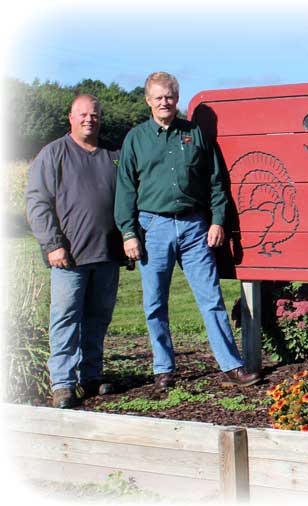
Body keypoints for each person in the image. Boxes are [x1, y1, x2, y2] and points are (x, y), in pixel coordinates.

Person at [115, 72, 260, 389]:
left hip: (195, 227)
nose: (164, 101)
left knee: (211, 299)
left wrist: (218, 220)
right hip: (152, 227)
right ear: (148, 101)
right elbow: (125, 189)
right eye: (158, 97)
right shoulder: (136, 139)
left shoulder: (194, 134)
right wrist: (128, 233)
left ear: (177, 98)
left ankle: (231, 365)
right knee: (155, 303)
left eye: (169, 95)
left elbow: (216, 181)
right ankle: (163, 368)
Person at [26, 94, 123, 408]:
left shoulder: (112, 154)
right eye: (82, 114)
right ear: (71, 117)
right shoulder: (54, 154)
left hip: (107, 254)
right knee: (65, 318)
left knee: (98, 319)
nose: (89, 119)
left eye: (94, 115)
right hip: (69, 257)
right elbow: (38, 203)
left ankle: (90, 376)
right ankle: (63, 384)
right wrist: (53, 245)